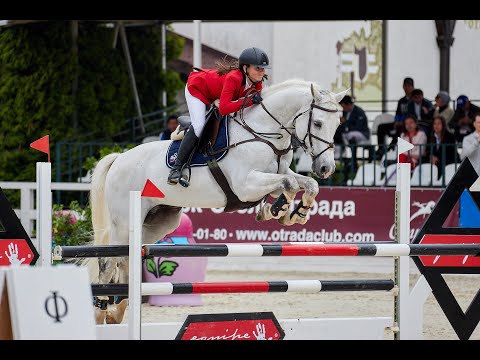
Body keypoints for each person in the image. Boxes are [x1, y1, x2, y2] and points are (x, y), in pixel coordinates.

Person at [167, 47, 270, 186]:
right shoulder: (233, 78)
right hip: (196, 89)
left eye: (263, 69)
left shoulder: (258, 83)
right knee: (198, 127)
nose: (261, 72)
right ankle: (176, 168)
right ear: (245, 68)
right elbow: (225, 108)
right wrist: (250, 101)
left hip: (214, 95)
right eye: (258, 68)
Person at [376, 77, 415, 158]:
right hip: (399, 122)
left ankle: (390, 148)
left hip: (408, 124)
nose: (407, 88)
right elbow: (397, 113)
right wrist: (397, 121)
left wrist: (403, 122)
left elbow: (413, 115)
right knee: (381, 127)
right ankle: (381, 148)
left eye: (409, 86)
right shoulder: (401, 100)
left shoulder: (415, 100)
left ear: (412, 87)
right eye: (405, 86)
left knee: (400, 130)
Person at [334, 95, 370, 167]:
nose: (343, 109)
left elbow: (358, 127)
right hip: (349, 132)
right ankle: (339, 151)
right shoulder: (345, 111)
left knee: (352, 136)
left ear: (349, 104)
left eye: (344, 107)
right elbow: (345, 127)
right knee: (337, 131)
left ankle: (354, 161)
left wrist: (345, 122)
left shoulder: (359, 111)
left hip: (362, 133)